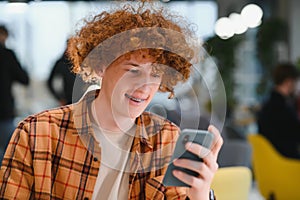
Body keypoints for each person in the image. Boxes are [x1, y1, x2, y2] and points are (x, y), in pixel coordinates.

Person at [0, 2, 223, 199]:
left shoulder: (166, 139)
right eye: (133, 71)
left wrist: (201, 194)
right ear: (101, 66)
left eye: (155, 74)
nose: (145, 87)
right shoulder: (37, 133)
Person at [0, 25, 30, 164]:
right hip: (4, 110)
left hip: (5, 111)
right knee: (10, 156)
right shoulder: (7, 54)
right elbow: (24, 78)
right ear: (4, 36)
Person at [257, 62, 300, 159]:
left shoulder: (267, 106)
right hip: (287, 162)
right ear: (289, 82)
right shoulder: (282, 108)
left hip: (269, 161)